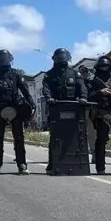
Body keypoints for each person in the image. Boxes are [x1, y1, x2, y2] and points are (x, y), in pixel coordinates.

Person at [0, 49, 35, 175]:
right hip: (0, 108)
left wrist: (32, 105)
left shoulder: (16, 74)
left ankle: (22, 164)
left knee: (19, 138)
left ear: (10, 60)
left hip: (16, 107)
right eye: (2, 58)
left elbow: (25, 91)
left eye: (6, 58)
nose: (4, 61)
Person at [41, 47, 87, 175]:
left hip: (73, 107)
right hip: (56, 108)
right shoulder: (49, 75)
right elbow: (46, 89)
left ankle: (78, 164)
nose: (62, 60)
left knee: (76, 137)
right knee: (55, 138)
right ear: (55, 59)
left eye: (64, 57)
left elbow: (82, 87)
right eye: (60, 57)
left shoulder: (74, 73)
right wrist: (49, 98)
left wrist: (83, 98)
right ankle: (52, 164)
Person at [77, 65, 97, 160]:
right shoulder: (78, 81)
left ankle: (94, 153)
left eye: (85, 71)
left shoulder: (92, 80)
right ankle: (80, 153)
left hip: (91, 109)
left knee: (92, 132)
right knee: (79, 132)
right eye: (81, 71)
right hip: (80, 109)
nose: (83, 73)